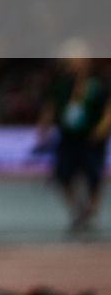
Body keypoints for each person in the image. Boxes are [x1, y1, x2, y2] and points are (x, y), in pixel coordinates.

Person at [38, 44, 109, 233]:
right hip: (68, 137)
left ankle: (91, 211)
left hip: (92, 138)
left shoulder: (99, 83)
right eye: (71, 62)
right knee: (62, 176)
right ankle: (78, 211)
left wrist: (102, 127)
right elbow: (50, 107)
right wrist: (43, 128)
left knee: (93, 176)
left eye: (78, 61)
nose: (75, 65)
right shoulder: (60, 84)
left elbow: (108, 108)